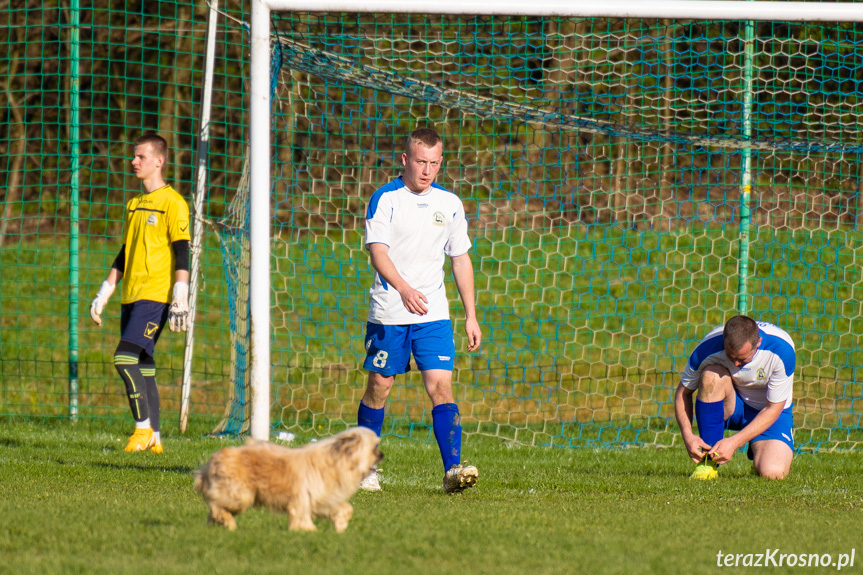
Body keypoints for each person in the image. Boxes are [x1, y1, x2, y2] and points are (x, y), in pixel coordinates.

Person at [357, 127, 482, 493]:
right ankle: (366, 466)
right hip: (390, 311)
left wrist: (471, 315)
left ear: (440, 162)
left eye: (433, 163)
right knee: (380, 385)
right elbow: (378, 252)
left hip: (433, 314)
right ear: (405, 160)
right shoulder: (385, 199)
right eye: (420, 162)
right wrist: (404, 288)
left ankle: (453, 471)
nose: (426, 170)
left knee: (441, 385)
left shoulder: (450, 203)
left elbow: (461, 260)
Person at [89, 134, 191, 453]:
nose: (134, 161)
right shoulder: (133, 204)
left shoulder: (173, 203)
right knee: (144, 364)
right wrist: (104, 292)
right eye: (134, 157)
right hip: (130, 297)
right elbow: (125, 252)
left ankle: (142, 430)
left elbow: (182, 251)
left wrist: (181, 294)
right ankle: (156, 441)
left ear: (158, 161)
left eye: (141, 157)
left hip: (156, 297)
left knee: (123, 358)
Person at [674, 315, 796, 480]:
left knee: (773, 474)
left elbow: (773, 408)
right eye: (731, 358)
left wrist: (734, 442)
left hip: (768, 411)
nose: (736, 365)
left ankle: (759, 453)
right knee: (711, 375)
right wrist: (688, 435)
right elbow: (683, 392)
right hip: (732, 405)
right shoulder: (708, 348)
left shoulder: (782, 350)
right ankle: (708, 464)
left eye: (742, 359)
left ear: (758, 343)